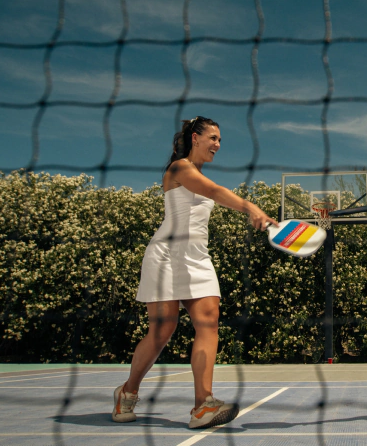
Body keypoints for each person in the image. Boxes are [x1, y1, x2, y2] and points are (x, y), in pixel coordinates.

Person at [112, 116, 276, 429]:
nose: (217, 145)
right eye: (213, 138)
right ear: (195, 138)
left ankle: (203, 405)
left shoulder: (197, 172)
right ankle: (127, 391)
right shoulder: (179, 169)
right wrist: (252, 208)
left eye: (220, 140)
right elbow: (214, 191)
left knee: (209, 319)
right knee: (162, 332)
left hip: (197, 258)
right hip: (165, 256)